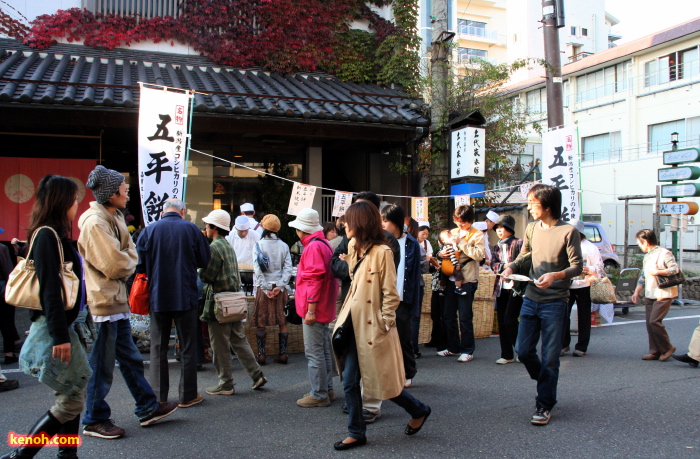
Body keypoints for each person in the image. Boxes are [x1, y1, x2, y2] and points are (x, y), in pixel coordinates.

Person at [79, 166, 178, 439]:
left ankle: (147, 406)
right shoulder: (95, 222)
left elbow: (130, 253)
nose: (127, 192)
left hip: (116, 299)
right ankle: (93, 418)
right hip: (104, 301)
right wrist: (128, 258)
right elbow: (117, 264)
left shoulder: (114, 216)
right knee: (102, 363)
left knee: (131, 358)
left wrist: (127, 257)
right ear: (111, 194)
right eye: (123, 189)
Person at [0, 175, 88, 459]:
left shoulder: (54, 234)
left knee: (70, 390)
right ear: (63, 201)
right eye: (74, 198)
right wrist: (61, 336)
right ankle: (22, 455)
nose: (77, 203)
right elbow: (51, 291)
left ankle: (67, 454)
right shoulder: (48, 235)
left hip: (63, 325)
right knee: (71, 398)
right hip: (56, 327)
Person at [332, 201, 431, 451]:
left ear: (361, 223)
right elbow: (353, 279)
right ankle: (356, 432)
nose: (344, 224)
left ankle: (419, 409)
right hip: (352, 322)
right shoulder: (355, 246)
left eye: (349, 220)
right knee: (349, 381)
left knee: (382, 380)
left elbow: (390, 293)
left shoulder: (383, 252)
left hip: (373, 326)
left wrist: (385, 323)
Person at [502, 184, 582, 426]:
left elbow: (577, 266)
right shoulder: (532, 228)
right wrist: (511, 268)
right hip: (530, 297)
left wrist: (555, 276)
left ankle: (544, 404)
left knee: (550, 357)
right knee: (523, 350)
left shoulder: (568, 231)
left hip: (556, 302)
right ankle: (546, 381)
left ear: (547, 206)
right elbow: (525, 254)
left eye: (532, 204)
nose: (528, 208)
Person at [136, 199, 211, 408]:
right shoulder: (191, 229)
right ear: (183, 211)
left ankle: (159, 396)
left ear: (162, 212)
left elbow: (139, 264)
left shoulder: (149, 230)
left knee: (158, 347)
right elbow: (204, 260)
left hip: (158, 294)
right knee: (187, 345)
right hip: (185, 294)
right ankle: (187, 396)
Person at [198, 209, 268, 396]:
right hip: (234, 300)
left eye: (207, 224)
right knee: (239, 340)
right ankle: (257, 374)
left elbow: (207, 275)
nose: (205, 227)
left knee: (219, 344)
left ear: (213, 227)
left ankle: (226, 383)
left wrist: (198, 270)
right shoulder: (227, 245)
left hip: (220, 302)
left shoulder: (215, 247)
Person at [289, 208, 338, 407]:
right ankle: (326, 389)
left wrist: (310, 309)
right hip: (323, 305)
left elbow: (314, 280)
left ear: (302, 230)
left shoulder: (313, 247)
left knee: (314, 352)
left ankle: (319, 394)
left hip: (315, 307)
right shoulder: (323, 244)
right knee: (323, 349)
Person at [380, 204, 423, 387]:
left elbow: (414, 275)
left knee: (403, 337)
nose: (382, 225)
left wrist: (414, 304)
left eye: (385, 221)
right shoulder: (381, 241)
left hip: (403, 297)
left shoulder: (412, 243)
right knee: (384, 337)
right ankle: (389, 372)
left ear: (396, 222)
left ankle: (408, 372)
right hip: (383, 296)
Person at [437, 205, 485, 362]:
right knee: (448, 315)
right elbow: (442, 246)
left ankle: (467, 349)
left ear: (470, 221)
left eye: (463, 222)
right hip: (450, 277)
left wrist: (462, 243)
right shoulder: (453, 232)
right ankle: (454, 347)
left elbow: (479, 255)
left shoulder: (477, 234)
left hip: (467, 279)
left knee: (464, 316)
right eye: (457, 222)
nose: (460, 225)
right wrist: (441, 253)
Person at [631, 229, 679, 361]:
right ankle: (655, 351)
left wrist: (658, 271)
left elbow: (675, 269)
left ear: (645, 242)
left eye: (639, 243)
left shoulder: (664, 253)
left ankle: (667, 348)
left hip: (664, 293)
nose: (639, 245)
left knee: (654, 321)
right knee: (649, 323)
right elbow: (643, 275)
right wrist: (637, 291)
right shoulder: (647, 256)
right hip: (650, 292)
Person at [251, 214, 293, 365]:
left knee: (261, 321)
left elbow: (257, 270)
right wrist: (280, 286)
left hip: (264, 288)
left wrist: (266, 287)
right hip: (280, 289)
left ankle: (262, 355)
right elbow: (288, 269)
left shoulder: (258, 245)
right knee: (282, 321)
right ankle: (283, 354)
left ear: (263, 227)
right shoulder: (284, 245)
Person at [562, 219, 603, 358]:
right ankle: (563, 344)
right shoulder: (564, 246)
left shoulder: (590, 247)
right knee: (563, 315)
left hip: (584, 285)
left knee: (584, 317)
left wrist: (589, 268)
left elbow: (599, 266)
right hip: (567, 285)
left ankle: (581, 346)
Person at [490, 215, 523, 364]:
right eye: (497, 228)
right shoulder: (496, 245)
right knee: (502, 320)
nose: (499, 231)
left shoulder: (519, 243)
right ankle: (507, 354)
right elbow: (493, 264)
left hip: (516, 287)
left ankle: (521, 351)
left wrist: (509, 266)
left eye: (502, 228)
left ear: (509, 228)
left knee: (510, 319)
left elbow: (523, 262)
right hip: (501, 286)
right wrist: (504, 266)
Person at [0, 238, 22, 365]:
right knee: (7, 321)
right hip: (2, 290)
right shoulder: (2, 248)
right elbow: (8, 270)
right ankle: (9, 353)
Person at [437, 229, 466, 295]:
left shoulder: (443, 247)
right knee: (459, 275)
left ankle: (441, 289)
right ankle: (458, 288)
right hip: (450, 267)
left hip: (443, 267)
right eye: (449, 237)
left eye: (451, 236)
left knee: (443, 277)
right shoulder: (449, 247)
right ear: (443, 240)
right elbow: (453, 256)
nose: (451, 238)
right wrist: (456, 264)